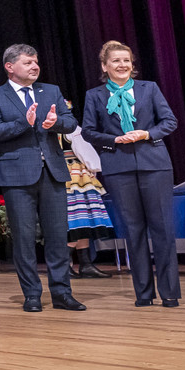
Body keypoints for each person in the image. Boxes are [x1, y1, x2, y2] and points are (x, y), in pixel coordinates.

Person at [0, 43, 83, 313]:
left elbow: (71, 122)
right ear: (10, 67)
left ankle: (62, 293)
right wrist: (23, 123)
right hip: (16, 177)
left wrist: (54, 123)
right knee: (24, 239)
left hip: (52, 172)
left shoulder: (50, 90)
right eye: (28, 62)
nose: (35, 66)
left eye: (36, 62)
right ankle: (32, 295)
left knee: (57, 236)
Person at [81, 40, 181, 307]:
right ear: (105, 66)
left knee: (162, 228)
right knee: (134, 231)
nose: (122, 65)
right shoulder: (95, 95)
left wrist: (147, 133)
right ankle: (144, 294)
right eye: (116, 61)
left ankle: (169, 292)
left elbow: (169, 121)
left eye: (126, 60)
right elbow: (88, 131)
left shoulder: (149, 88)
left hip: (155, 165)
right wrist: (114, 140)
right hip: (118, 167)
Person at [63, 119, 115, 279]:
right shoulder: (72, 129)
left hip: (64, 174)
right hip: (75, 175)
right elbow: (84, 151)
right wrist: (94, 167)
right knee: (77, 219)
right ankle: (64, 265)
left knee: (82, 219)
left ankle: (85, 264)